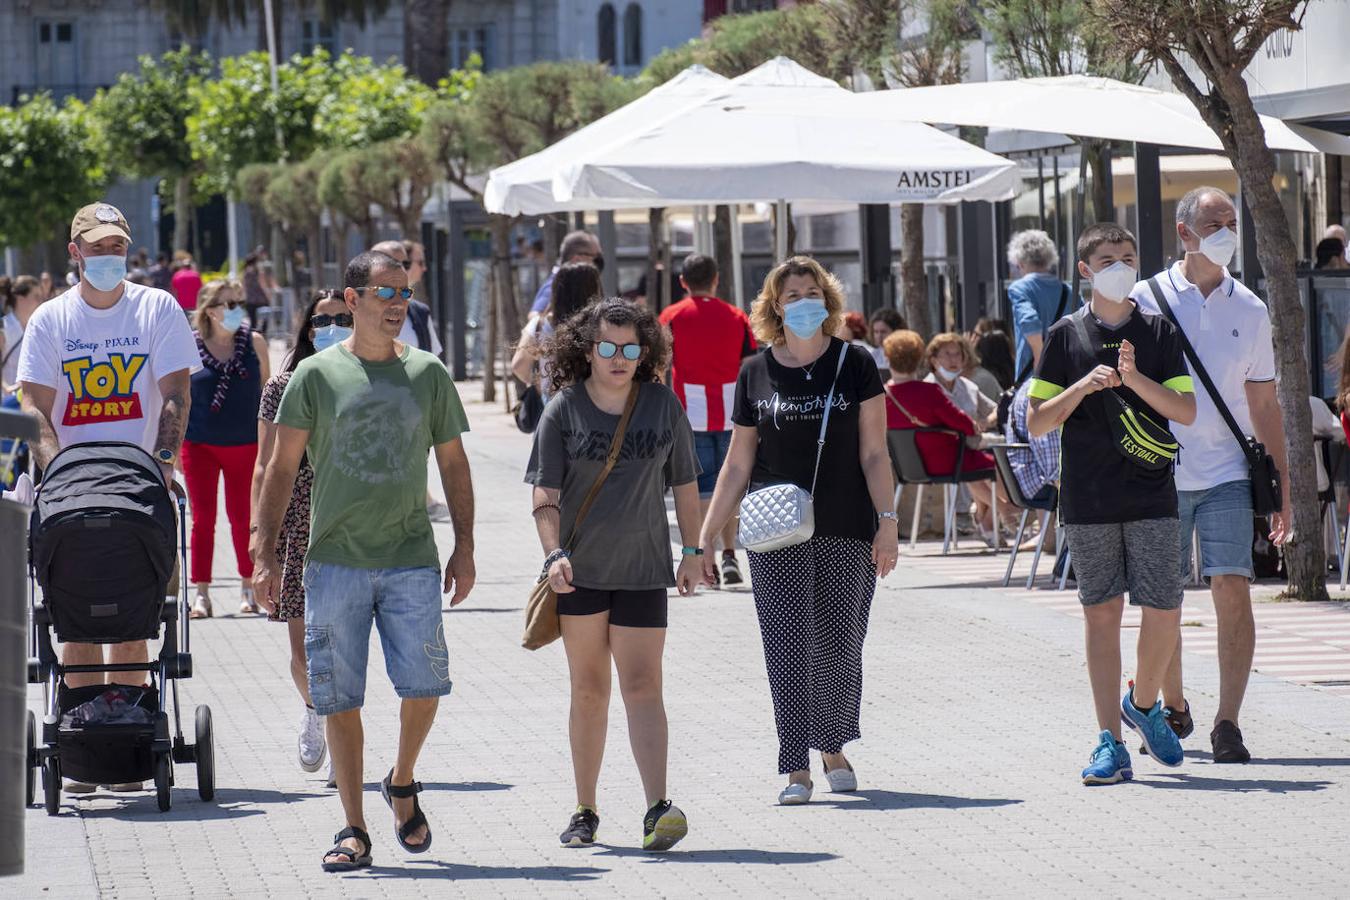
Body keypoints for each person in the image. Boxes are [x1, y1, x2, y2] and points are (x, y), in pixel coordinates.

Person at [252, 250, 476, 873]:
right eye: (384, 292)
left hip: (411, 560)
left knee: (427, 688)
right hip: (333, 563)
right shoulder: (316, 375)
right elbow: (280, 467)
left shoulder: (429, 373)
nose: (397, 303)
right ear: (352, 301)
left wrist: (466, 547)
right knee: (339, 698)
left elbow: (454, 466)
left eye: (403, 292)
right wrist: (264, 555)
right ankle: (353, 827)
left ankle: (401, 780)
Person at [698, 256, 898, 805]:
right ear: (774, 306)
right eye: (792, 294)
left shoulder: (854, 363)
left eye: (813, 291)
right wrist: (706, 539)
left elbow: (876, 452)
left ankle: (832, 744)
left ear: (827, 300)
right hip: (775, 533)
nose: (804, 301)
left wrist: (888, 524)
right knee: (787, 647)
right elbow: (737, 464)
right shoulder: (753, 372)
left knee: (838, 646)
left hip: (848, 526)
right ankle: (795, 765)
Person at [18, 202, 200, 793]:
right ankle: (80, 744)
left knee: (134, 612)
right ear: (75, 253)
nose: (107, 258)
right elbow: (35, 407)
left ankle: (125, 736)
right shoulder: (51, 320)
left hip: (142, 488)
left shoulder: (157, 308)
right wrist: (58, 471)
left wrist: (164, 464)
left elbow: (175, 393)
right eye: (95, 249)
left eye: (116, 247)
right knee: (75, 614)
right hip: (71, 491)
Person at [527, 298, 701, 852]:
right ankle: (585, 809)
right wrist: (553, 555)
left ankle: (656, 807)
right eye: (607, 347)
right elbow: (545, 492)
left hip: (645, 570)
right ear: (588, 349)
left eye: (630, 348)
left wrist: (694, 551)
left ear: (644, 350)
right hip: (580, 573)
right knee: (589, 689)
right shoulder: (564, 408)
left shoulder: (661, 405)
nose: (619, 358)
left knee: (644, 686)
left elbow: (686, 485)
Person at [1028, 222, 1197, 785]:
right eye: (1107, 258)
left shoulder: (1158, 332)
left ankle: (1144, 703)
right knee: (1102, 615)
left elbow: (1185, 410)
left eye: (1128, 256)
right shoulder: (1063, 336)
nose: (1120, 264)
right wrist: (1084, 386)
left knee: (1165, 607)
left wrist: (1133, 379)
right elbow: (1037, 421)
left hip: (1152, 490)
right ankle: (1110, 741)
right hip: (1089, 495)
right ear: (1085, 270)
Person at [1131, 186, 1290, 764]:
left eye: (1232, 220)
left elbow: (1265, 404)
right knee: (1162, 601)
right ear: (1185, 233)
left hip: (1226, 471)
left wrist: (1284, 485)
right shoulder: (1144, 299)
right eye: (1215, 221)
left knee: (1233, 590)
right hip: (1158, 473)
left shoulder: (1250, 308)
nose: (1228, 229)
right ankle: (1171, 704)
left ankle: (1228, 722)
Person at [251, 288, 349, 781]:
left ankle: (341, 736)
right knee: (303, 649)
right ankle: (316, 710)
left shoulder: (367, 382)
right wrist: (259, 543)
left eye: (341, 318)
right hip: (296, 525)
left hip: (351, 524)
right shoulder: (283, 385)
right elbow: (265, 466)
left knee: (343, 643)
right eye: (322, 319)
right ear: (308, 328)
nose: (330, 327)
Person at [658, 254, 757, 586]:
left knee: (701, 488)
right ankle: (730, 553)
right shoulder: (737, 316)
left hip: (689, 412)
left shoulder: (671, 317)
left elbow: (659, 366)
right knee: (731, 486)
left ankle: (707, 557)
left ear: (683, 282)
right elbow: (750, 365)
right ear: (716, 280)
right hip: (734, 413)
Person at [183, 279, 270, 618]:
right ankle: (201, 594)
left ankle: (248, 588)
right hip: (199, 444)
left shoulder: (255, 343)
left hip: (246, 444)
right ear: (209, 309)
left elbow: (269, 394)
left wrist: (271, 443)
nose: (236, 311)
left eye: (239, 303)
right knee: (202, 520)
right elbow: (179, 397)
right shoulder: (189, 346)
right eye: (228, 304)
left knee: (244, 519)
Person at [882, 329, 1011, 541]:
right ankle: (1007, 510)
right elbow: (966, 426)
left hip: (908, 466)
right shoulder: (929, 392)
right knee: (997, 463)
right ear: (921, 359)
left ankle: (994, 517)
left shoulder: (883, 394)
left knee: (978, 461)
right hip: (945, 462)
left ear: (888, 359)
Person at [511, 261, 603, 400]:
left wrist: (540, 382)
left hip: (553, 402)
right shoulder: (602, 324)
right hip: (596, 401)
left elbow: (519, 366)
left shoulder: (540, 325)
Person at [1007, 229, 1074, 379]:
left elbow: (1029, 322)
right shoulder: (1068, 290)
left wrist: (1040, 359)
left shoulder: (1019, 288)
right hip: (1067, 373)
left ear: (1020, 262)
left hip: (1033, 375)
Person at [372, 240, 443, 358]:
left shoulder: (420, 312)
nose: (401, 270)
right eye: (420, 263)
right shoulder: (352, 314)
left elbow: (432, 364)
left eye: (405, 265)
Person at [924, 332, 998, 428]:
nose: (953, 359)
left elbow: (997, 410)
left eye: (957, 354)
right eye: (947, 354)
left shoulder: (968, 387)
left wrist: (986, 422)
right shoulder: (925, 389)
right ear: (934, 360)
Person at [531, 230, 603, 317]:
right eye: (595, 256)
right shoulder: (558, 285)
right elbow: (534, 316)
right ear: (577, 259)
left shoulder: (577, 284)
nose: (598, 261)